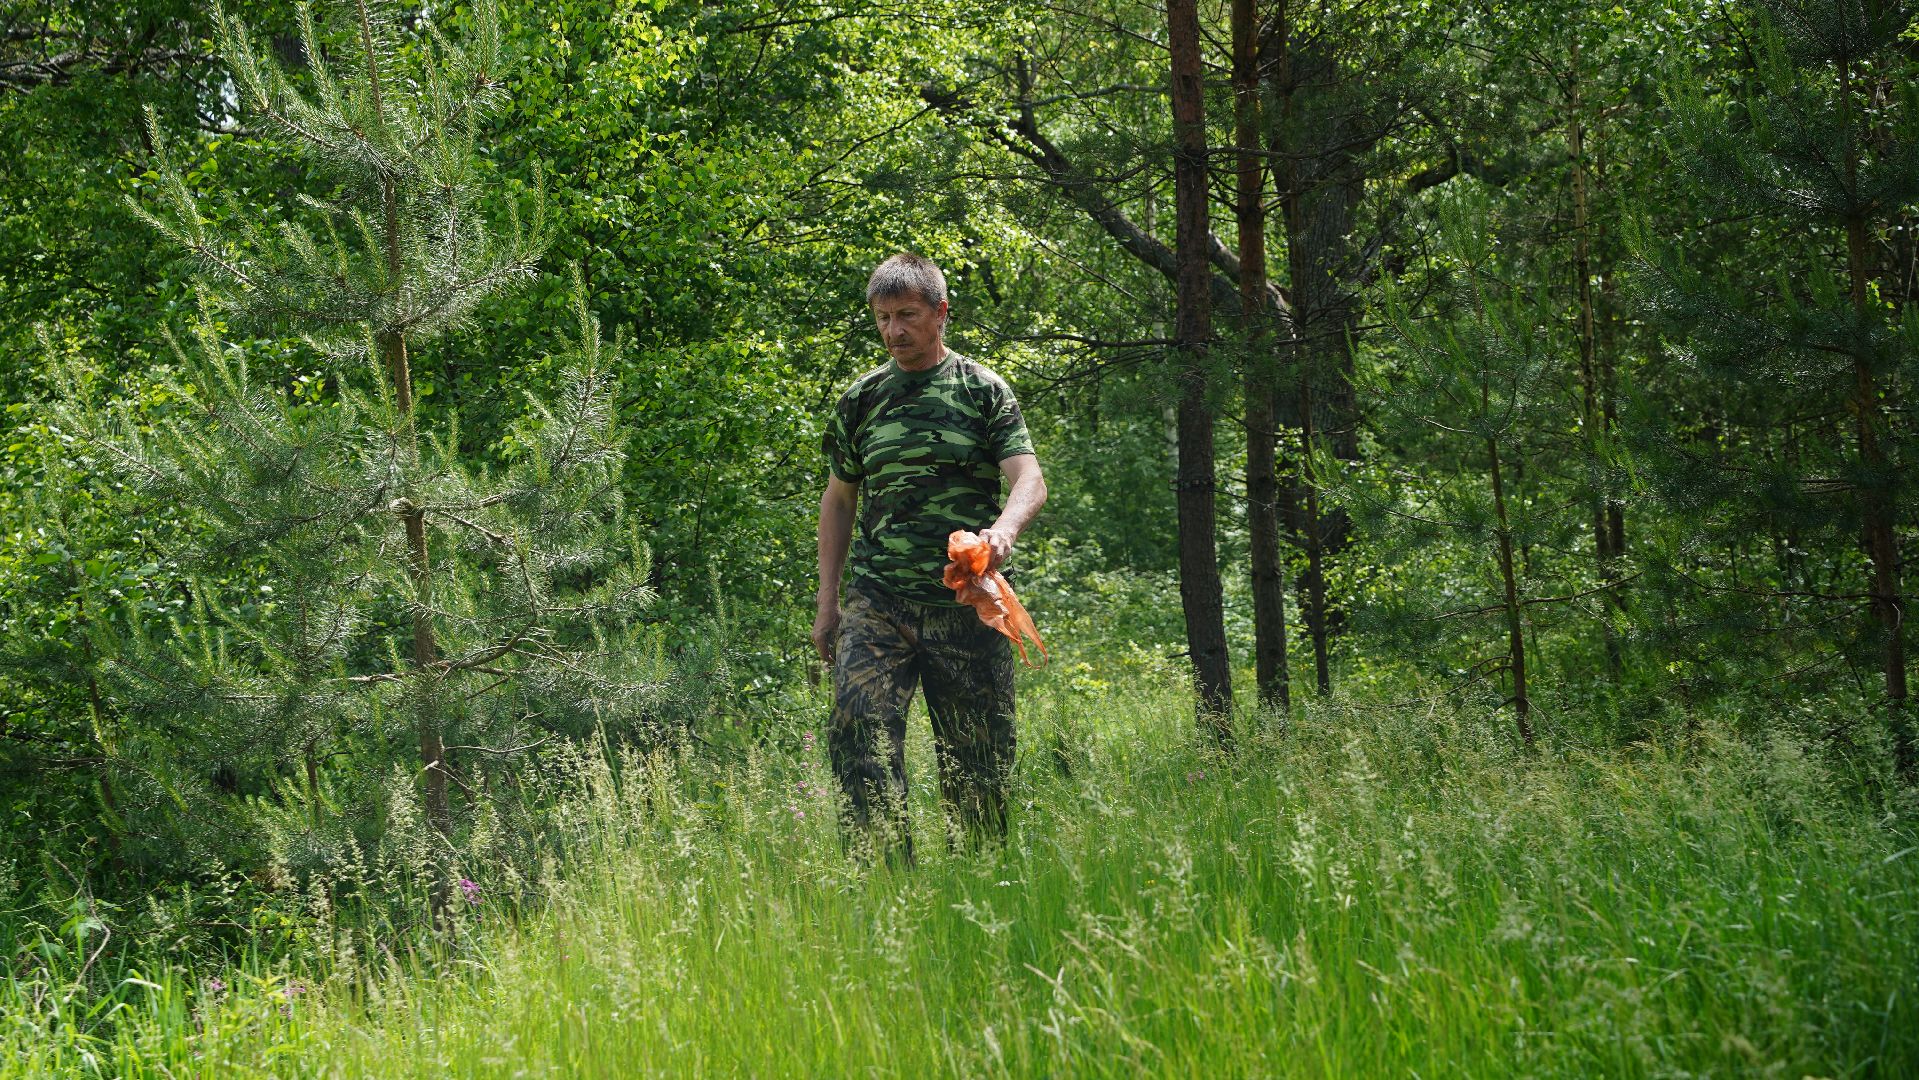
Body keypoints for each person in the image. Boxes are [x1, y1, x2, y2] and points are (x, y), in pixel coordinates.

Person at [814, 252, 1047, 861]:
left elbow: (1029, 478)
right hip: (878, 600)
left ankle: (980, 886)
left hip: (967, 603)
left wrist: (1004, 531)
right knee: (857, 733)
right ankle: (884, 883)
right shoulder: (860, 400)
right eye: (883, 318)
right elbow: (839, 500)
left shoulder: (981, 390)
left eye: (908, 316)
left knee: (979, 762)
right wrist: (827, 601)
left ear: (941, 313)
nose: (894, 331)